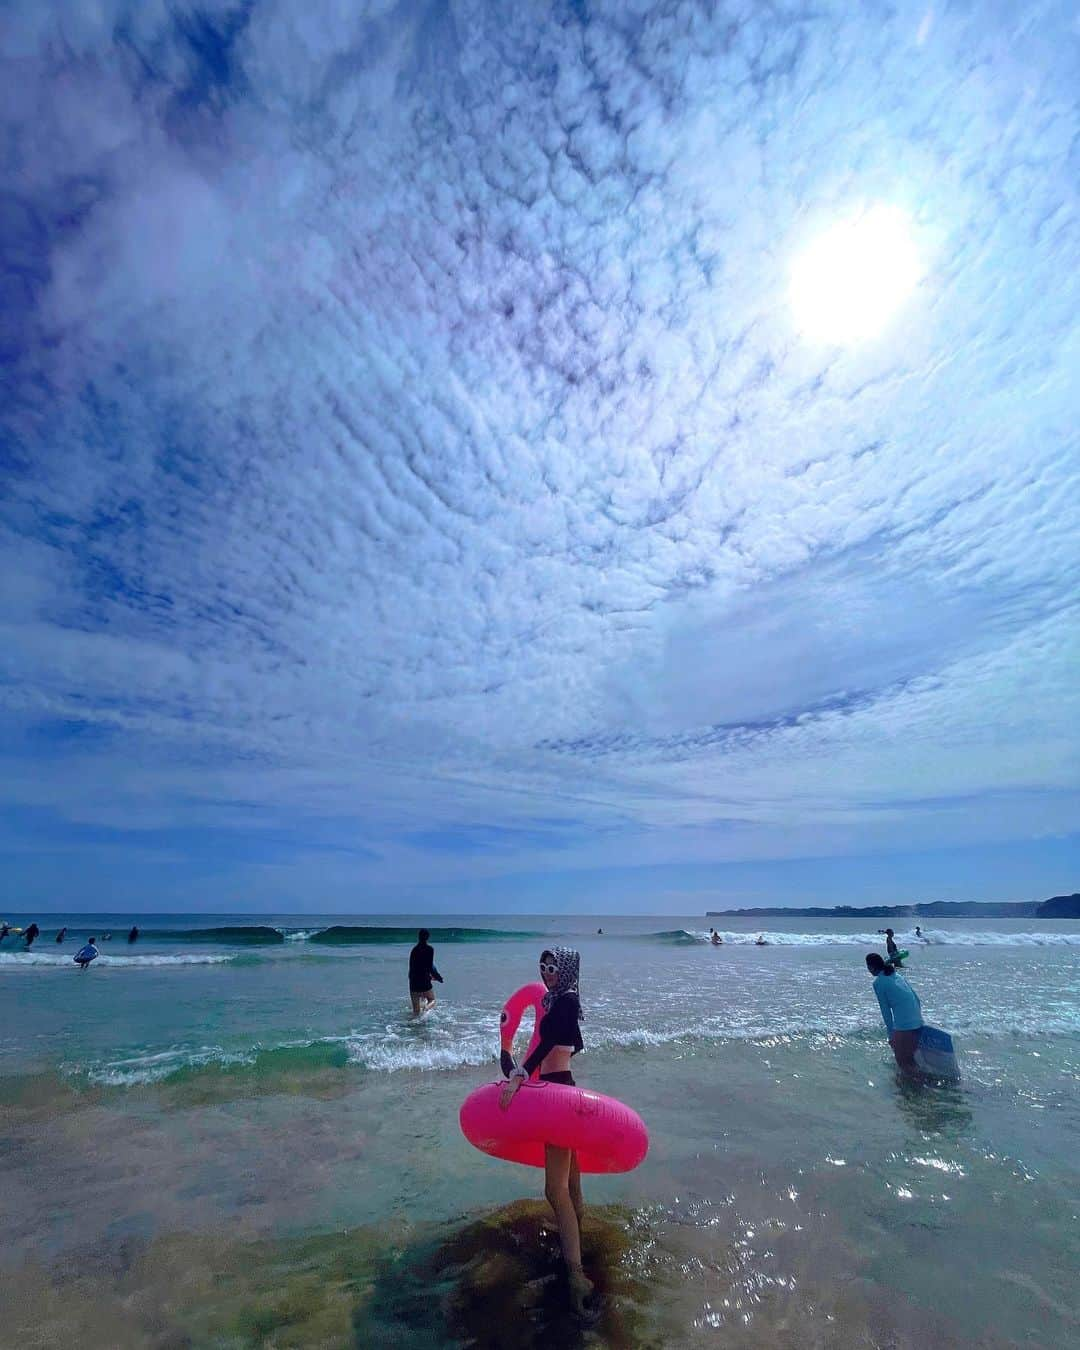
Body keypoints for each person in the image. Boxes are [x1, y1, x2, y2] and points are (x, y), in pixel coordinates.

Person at [500, 947, 594, 1319]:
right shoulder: (565, 1000)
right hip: (562, 1087)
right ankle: (576, 1248)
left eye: (553, 966)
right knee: (570, 1186)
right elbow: (563, 1045)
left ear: (567, 969)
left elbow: (547, 1041)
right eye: (542, 966)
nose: (546, 971)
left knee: (553, 1190)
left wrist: (519, 1075)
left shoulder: (566, 1002)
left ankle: (576, 1274)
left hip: (559, 1095)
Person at [866, 952, 923, 1070]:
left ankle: (914, 1087)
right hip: (917, 1021)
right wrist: (919, 1021)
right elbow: (917, 1000)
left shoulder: (878, 983)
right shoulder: (897, 976)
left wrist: (892, 1036)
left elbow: (886, 1012)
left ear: (871, 967)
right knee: (910, 1059)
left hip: (905, 1025)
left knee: (903, 1063)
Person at [408, 928, 443, 1015]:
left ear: (418, 937)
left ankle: (413, 1027)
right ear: (427, 937)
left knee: (416, 1011)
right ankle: (426, 1009)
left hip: (413, 982)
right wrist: (438, 977)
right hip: (425, 981)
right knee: (432, 1000)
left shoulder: (414, 950)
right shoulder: (429, 949)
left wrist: (412, 980)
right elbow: (429, 966)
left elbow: (411, 968)